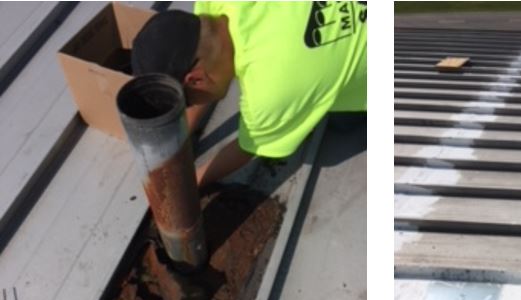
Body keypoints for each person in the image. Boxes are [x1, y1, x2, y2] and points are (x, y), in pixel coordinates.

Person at [131, 2, 367, 189]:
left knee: (342, 122)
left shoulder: (271, 90)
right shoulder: (210, 11)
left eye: (189, 102)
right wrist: (178, 142)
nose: (192, 107)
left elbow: (248, 147)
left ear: (196, 79)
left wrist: (183, 190)